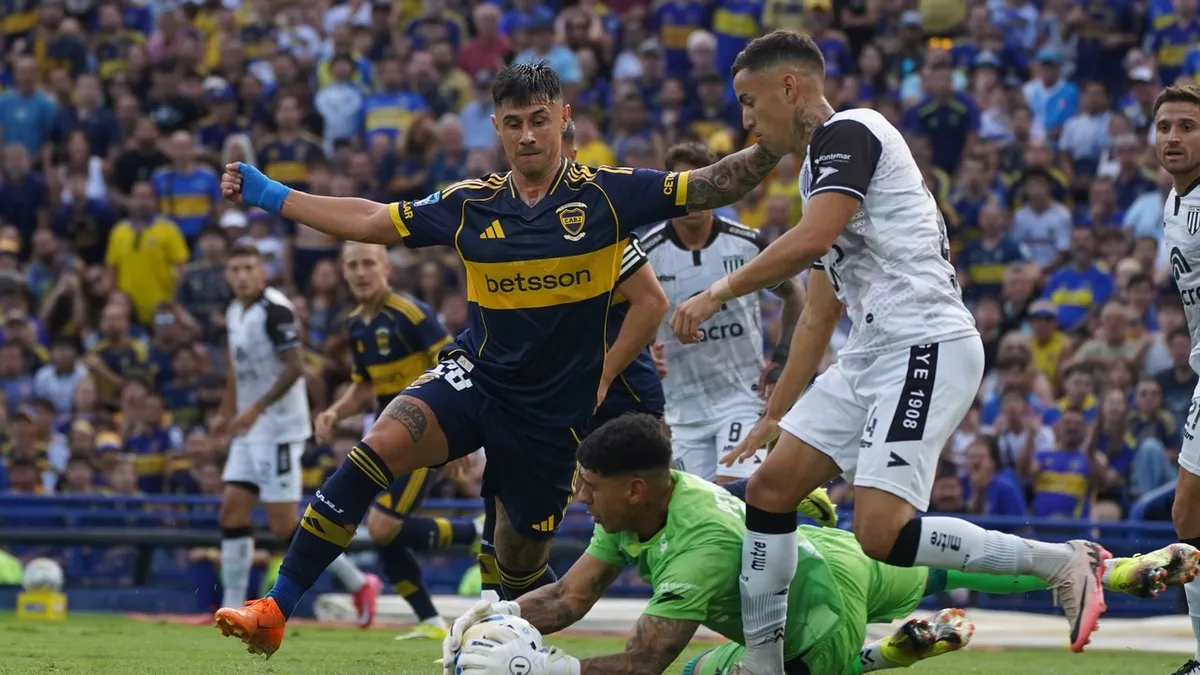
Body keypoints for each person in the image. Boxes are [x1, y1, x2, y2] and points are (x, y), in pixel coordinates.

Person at [213, 62, 783, 657]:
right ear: (496, 127)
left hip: (551, 417)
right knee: (379, 444)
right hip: (477, 378)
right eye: (514, 123)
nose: (527, 135)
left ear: (563, 119)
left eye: (539, 120)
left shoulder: (608, 196)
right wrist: (271, 194)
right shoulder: (471, 204)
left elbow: (712, 185)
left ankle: (523, 656)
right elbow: (372, 220)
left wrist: (775, 142)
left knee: (517, 560)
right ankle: (276, 606)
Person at [667, 31, 1107, 671]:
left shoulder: (852, 131)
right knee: (768, 489)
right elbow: (818, 315)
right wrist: (775, 414)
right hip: (872, 353)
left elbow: (810, 239)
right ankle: (764, 664)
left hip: (924, 342)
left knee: (879, 533)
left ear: (788, 87)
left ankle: (1063, 562)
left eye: (749, 101)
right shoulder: (819, 174)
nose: (747, 120)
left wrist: (716, 293)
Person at [445, 414, 1200, 675]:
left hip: (814, 618)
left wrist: (551, 670)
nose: (582, 497)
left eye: (589, 485)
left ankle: (882, 656)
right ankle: (1111, 567)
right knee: (937, 560)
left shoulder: (698, 544)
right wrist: (497, 616)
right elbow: (569, 597)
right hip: (828, 550)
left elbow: (645, 661)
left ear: (636, 487)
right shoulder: (637, 506)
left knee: (711, 672)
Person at [313, 241, 478, 640]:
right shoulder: (355, 324)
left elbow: (454, 363)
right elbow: (364, 387)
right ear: (344, 272)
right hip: (387, 436)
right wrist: (335, 411)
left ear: (386, 266)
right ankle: (429, 621)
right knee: (383, 531)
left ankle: (474, 533)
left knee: (382, 527)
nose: (361, 272)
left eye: (368, 263)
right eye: (353, 265)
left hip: (427, 433)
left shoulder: (410, 313)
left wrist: (459, 432)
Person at [211, 244, 379, 626]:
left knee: (283, 524)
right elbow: (237, 368)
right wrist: (226, 412)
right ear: (227, 275)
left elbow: (295, 368)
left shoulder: (276, 310)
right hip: (250, 428)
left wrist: (255, 408)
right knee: (232, 510)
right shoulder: (235, 311)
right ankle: (230, 608)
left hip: (278, 429)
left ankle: (358, 583)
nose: (242, 276)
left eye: (248, 268)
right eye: (235, 269)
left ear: (262, 272)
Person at [642, 141, 805, 483]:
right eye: (684, 187)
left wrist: (781, 359)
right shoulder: (647, 252)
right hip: (682, 409)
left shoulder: (746, 243)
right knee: (698, 504)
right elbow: (617, 312)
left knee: (733, 491)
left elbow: (795, 295)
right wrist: (642, 356)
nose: (694, 198)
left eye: (701, 185)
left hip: (743, 397)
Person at [1153, 82, 1200, 675]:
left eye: (1187, 126)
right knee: (1190, 517)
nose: (1173, 137)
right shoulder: (1174, 201)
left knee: (1190, 514)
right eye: (1165, 126)